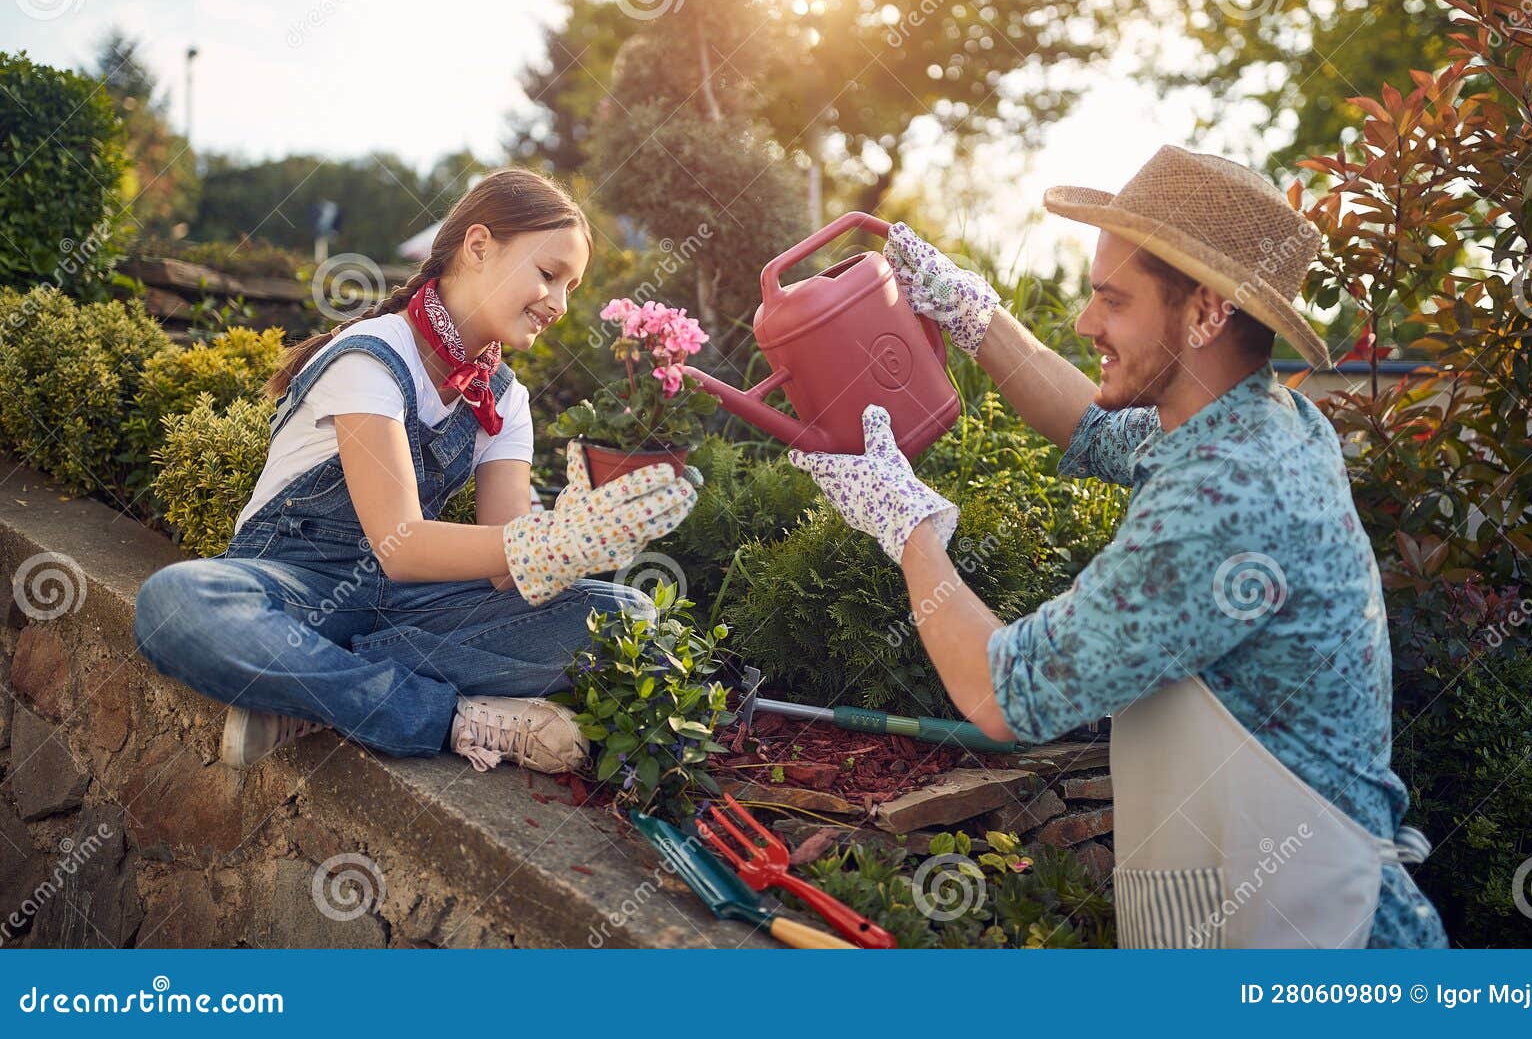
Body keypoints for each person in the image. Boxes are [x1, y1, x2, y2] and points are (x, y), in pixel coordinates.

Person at [789, 145, 1447, 948]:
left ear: (1206, 312)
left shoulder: (1225, 499)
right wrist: (970, 312)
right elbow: (1095, 427)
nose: (1085, 323)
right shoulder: (1249, 419)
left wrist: (907, 527)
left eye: (1113, 302)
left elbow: (1004, 695)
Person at [133, 169, 698, 776]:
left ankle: (310, 687)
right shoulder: (371, 356)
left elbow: (505, 572)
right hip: (299, 588)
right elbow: (399, 544)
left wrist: (568, 540)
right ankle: (448, 716)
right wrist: (541, 543)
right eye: (548, 274)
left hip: (406, 609)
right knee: (177, 604)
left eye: (571, 287)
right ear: (478, 246)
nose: (559, 304)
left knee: (625, 616)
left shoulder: (505, 401)